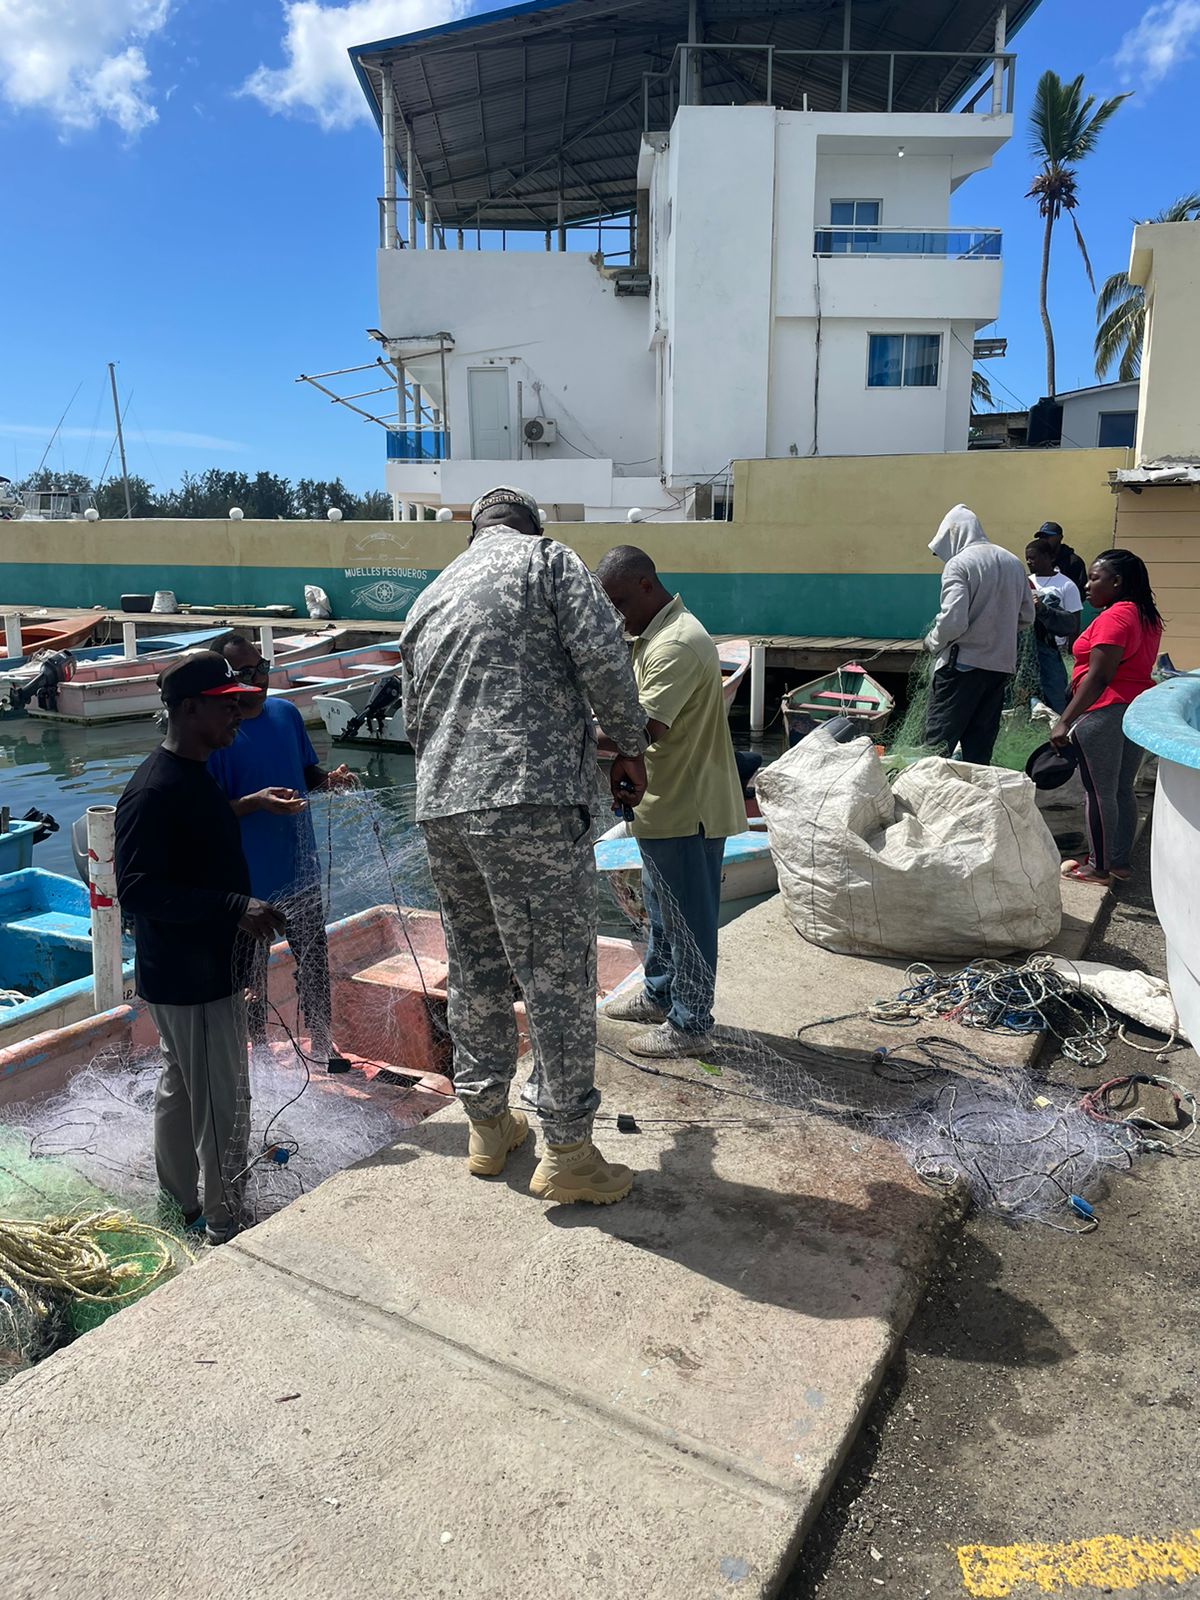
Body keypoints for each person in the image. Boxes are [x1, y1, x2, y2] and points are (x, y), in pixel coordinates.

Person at [401, 486, 649, 1205]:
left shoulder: (428, 599)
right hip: (528, 798)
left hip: (442, 804)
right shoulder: (547, 561)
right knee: (556, 974)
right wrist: (629, 745)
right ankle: (567, 1152)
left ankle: (487, 1127)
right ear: (530, 526)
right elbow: (603, 658)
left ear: (473, 534)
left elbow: (415, 721)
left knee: (475, 965)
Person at [114, 652, 286, 1245]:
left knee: (184, 1085)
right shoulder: (153, 791)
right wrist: (235, 907)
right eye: (225, 705)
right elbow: (137, 888)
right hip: (193, 978)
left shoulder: (195, 775)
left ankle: (180, 1200)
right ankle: (225, 1221)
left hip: (190, 971)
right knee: (223, 1100)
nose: (238, 713)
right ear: (188, 709)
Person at [595, 546, 744, 1059]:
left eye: (619, 602)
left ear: (645, 585)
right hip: (661, 803)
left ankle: (691, 1025)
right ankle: (659, 995)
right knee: (660, 911)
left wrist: (569, 731)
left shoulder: (677, 643)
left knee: (689, 922)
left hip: (688, 805)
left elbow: (642, 729)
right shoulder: (652, 636)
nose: (617, 616)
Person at [206, 635, 355, 1069]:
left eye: (263, 667)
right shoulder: (219, 736)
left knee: (314, 961)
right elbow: (207, 815)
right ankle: (261, 1055)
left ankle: (323, 1044)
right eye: (245, 673)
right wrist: (256, 802)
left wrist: (329, 781)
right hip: (247, 884)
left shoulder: (286, 714)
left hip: (299, 869)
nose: (259, 680)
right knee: (251, 975)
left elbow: (305, 773)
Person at [1050, 549, 1163, 885]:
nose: (1087, 585)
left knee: (1098, 792)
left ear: (1116, 582)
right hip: (1132, 710)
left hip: (1104, 711)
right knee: (1122, 789)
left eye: (1094, 578)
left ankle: (1098, 867)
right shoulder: (1145, 616)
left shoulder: (1116, 617)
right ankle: (1118, 862)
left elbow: (1099, 676)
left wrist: (1065, 720)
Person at [923, 504, 1036, 764]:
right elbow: (1027, 616)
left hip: (961, 667)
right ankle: (974, 787)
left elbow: (953, 622)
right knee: (979, 746)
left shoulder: (959, 564)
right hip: (999, 667)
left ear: (953, 535)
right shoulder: (1013, 562)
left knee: (938, 745)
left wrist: (932, 641)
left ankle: (931, 789)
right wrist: (997, 631)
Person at [1026, 536, 1083, 714]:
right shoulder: (1026, 582)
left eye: (1033, 557)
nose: (1029, 562)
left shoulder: (1066, 585)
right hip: (1030, 650)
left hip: (1055, 647)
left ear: (1048, 557)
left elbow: (1073, 621)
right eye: (1027, 558)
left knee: (1056, 695)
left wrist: (1071, 651)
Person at [1037, 521, 1089, 595]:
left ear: (1060, 537)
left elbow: (1080, 591)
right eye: (1041, 537)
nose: (1044, 540)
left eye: (1047, 537)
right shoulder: (1038, 560)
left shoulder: (1073, 562)